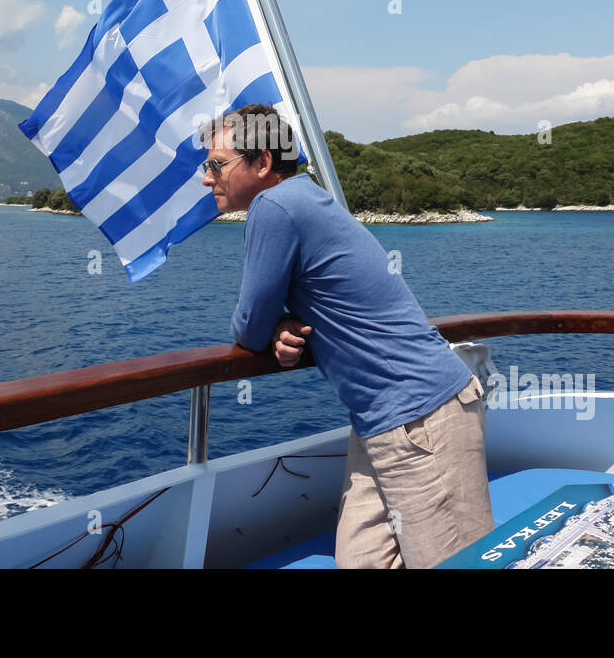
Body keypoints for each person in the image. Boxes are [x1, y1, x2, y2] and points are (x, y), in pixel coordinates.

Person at [199, 103, 495, 569]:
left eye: (217, 164)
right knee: (361, 559)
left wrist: (273, 324)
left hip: (419, 418)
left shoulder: (274, 206)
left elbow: (249, 326)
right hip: (384, 420)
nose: (207, 177)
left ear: (262, 163)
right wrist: (282, 323)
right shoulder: (304, 197)